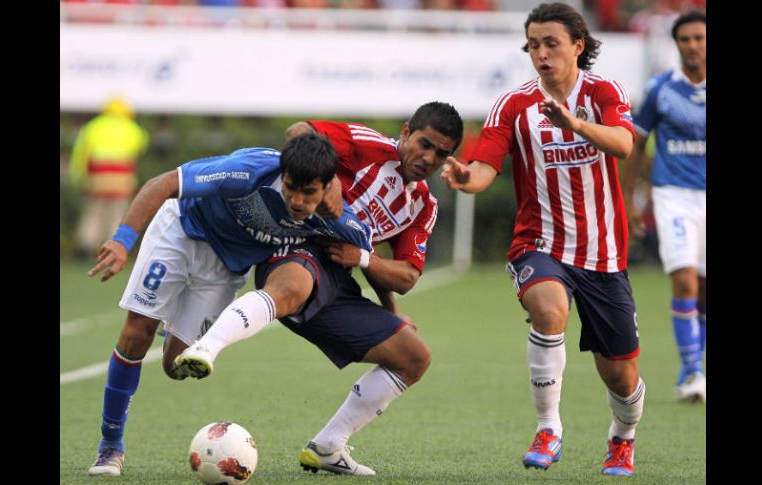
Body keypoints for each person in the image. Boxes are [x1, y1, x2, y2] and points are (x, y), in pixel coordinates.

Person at [173, 102, 464, 476]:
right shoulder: (366, 144)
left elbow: (406, 276)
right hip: (297, 244)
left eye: (441, 153)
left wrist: (364, 263)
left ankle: (328, 446)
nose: (429, 157)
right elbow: (297, 131)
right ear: (406, 132)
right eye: (424, 144)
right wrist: (332, 181)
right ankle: (207, 347)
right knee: (294, 285)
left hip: (341, 276)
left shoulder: (423, 205)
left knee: (414, 357)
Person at [86, 133, 373, 477]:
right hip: (181, 230)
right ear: (282, 175)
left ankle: (174, 321)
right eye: (290, 187)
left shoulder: (339, 218)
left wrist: (392, 309)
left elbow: (370, 254)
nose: (296, 200)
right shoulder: (248, 170)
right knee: (137, 332)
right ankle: (110, 446)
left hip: (223, 269)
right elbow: (161, 183)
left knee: (175, 367)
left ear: (329, 186)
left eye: (307, 192)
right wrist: (122, 240)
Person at [441, 3, 644, 477]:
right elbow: (485, 168)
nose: (541, 53)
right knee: (549, 309)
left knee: (620, 374)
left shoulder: (603, 91)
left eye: (551, 43)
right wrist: (466, 176)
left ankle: (623, 436)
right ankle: (548, 427)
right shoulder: (514, 105)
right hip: (540, 244)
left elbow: (623, 143)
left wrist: (575, 125)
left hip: (603, 254)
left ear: (578, 45)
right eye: (533, 45)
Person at [623, 10, 706, 403]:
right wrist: (629, 198)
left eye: (699, 38)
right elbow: (636, 142)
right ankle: (691, 373)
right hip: (673, 195)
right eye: (685, 39)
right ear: (676, 45)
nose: (692, 45)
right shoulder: (660, 89)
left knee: (703, 289)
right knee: (685, 280)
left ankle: (696, 364)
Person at [69, 96, 150, 258]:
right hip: (122, 176)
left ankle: (85, 246)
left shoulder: (93, 127)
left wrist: (78, 176)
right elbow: (140, 150)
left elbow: (81, 154)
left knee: (94, 211)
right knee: (118, 212)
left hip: (98, 176)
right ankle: (113, 246)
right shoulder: (133, 128)